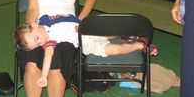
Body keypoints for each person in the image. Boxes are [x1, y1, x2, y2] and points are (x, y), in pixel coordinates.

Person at [15, 14, 158, 87]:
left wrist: (78, 22)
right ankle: (140, 45)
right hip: (86, 42)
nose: (41, 42)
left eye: (37, 38)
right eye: (37, 44)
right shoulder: (49, 41)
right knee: (114, 49)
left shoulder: (46, 18)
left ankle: (128, 35)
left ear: (34, 24)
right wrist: (44, 76)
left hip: (87, 28)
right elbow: (48, 55)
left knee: (109, 31)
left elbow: (68, 16)